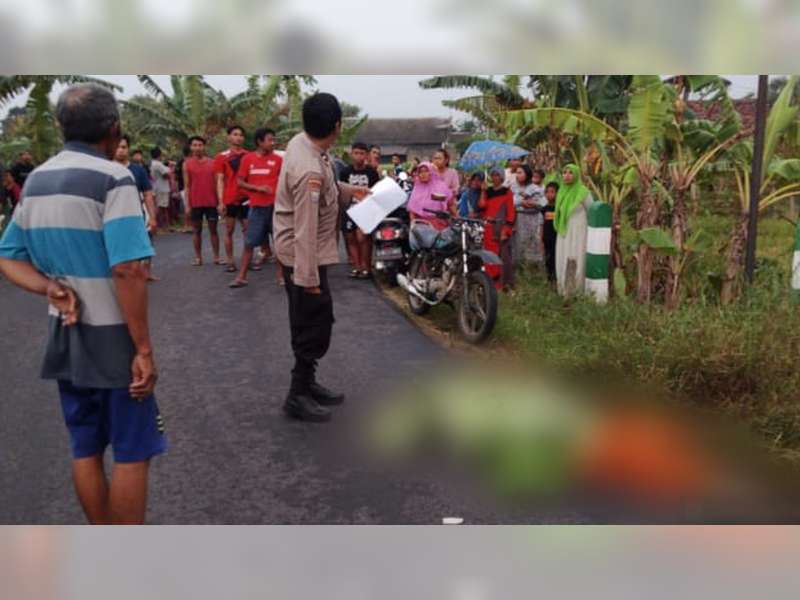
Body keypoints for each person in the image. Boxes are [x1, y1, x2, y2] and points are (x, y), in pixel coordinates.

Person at [0, 84, 164, 524]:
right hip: (114, 339)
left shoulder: (36, 180)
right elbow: (128, 269)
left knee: (85, 447)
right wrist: (143, 350)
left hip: (66, 333)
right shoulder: (114, 177)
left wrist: (49, 288)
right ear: (114, 129)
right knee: (132, 450)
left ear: (61, 126)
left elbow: (7, 257)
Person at [273, 92, 371, 423]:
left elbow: (328, 184)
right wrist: (308, 279)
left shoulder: (304, 145)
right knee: (311, 324)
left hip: (306, 253)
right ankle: (296, 395)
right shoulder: (308, 171)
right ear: (337, 126)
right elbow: (305, 229)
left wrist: (351, 191)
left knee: (313, 321)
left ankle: (307, 382)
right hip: (304, 257)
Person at [229, 128, 283, 288]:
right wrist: (258, 189)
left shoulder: (279, 160)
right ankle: (242, 277)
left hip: (275, 208)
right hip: (256, 208)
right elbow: (239, 181)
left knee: (279, 243)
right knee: (249, 243)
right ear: (260, 142)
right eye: (269, 140)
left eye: (273, 140)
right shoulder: (247, 159)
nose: (272, 143)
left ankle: (282, 276)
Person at [115, 135, 159, 282]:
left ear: (128, 149)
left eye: (123, 147)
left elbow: (147, 194)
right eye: (117, 147)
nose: (120, 150)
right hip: (114, 216)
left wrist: (152, 217)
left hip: (136, 214)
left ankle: (146, 272)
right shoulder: (106, 169)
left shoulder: (138, 170)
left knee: (145, 242)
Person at [339, 141, 380, 279]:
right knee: (350, 237)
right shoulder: (345, 172)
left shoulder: (372, 172)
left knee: (363, 237)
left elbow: (376, 191)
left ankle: (366, 267)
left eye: (362, 153)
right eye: (356, 153)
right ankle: (356, 266)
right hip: (349, 208)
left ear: (367, 155)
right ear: (351, 154)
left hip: (366, 209)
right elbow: (342, 191)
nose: (359, 156)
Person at [213, 125, 249, 272]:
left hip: (247, 198)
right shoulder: (221, 157)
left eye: (241, 135)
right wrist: (221, 201)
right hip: (230, 198)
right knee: (229, 230)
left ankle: (248, 260)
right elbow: (220, 179)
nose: (238, 137)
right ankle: (230, 261)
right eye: (235, 134)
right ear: (228, 137)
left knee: (248, 230)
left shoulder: (249, 155)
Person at [555, 163, 593, 297]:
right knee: (563, 256)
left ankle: (576, 290)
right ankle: (563, 289)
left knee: (576, 256)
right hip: (564, 231)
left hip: (579, 231)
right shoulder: (561, 191)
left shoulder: (583, 192)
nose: (567, 175)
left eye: (570, 172)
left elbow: (591, 211)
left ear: (576, 175)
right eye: (564, 172)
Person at [183, 135, 222, 266]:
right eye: (195, 145)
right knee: (196, 231)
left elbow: (218, 183)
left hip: (211, 202)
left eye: (200, 145)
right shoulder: (187, 164)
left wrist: (220, 202)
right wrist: (187, 205)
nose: (197, 148)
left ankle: (217, 256)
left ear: (204, 147)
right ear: (190, 147)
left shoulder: (213, 162)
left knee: (213, 230)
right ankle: (198, 257)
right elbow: (187, 186)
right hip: (195, 202)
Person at [478, 167, 516, 291]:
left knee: (502, 256)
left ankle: (502, 283)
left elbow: (511, 212)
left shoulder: (507, 192)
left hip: (500, 227)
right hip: (488, 228)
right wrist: (483, 192)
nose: (495, 177)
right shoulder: (487, 191)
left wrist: (507, 229)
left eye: (497, 175)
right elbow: (482, 206)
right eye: (493, 175)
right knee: (488, 256)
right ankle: (490, 282)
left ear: (502, 177)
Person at [511, 165, 546, 264]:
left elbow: (543, 203)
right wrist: (521, 203)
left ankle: (533, 269)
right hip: (518, 219)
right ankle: (520, 269)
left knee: (533, 243)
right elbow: (510, 203)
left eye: (520, 172)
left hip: (533, 219)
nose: (517, 175)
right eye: (516, 173)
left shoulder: (536, 188)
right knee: (519, 244)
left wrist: (534, 204)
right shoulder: (513, 188)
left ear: (527, 174)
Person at [406, 161, 456, 231]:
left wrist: (457, 218)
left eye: (426, 171)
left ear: (431, 172)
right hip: (422, 227)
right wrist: (413, 227)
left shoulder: (441, 187)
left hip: (440, 226)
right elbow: (412, 211)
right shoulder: (417, 189)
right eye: (420, 172)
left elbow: (451, 204)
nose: (423, 174)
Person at [149, 147, 171, 232]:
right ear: (159, 154)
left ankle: (161, 225)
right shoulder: (158, 164)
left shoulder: (153, 163)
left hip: (157, 187)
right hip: (162, 188)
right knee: (162, 208)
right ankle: (163, 226)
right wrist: (170, 172)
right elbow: (166, 175)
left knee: (160, 207)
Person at [542, 181, 559, 283]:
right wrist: (541, 239)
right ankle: (550, 281)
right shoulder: (544, 209)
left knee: (557, 259)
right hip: (547, 238)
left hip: (557, 238)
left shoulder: (560, 208)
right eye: (547, 192)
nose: (549, 194)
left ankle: (558, 280)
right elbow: (542, 225)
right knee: (548, 261)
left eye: (552, 192)